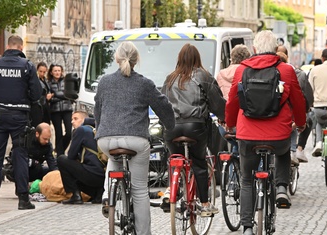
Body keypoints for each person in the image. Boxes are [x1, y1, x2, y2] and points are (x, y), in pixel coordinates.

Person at [225, 30, 306, 235]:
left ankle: (247, 227)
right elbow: (298, 100)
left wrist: (230, 124)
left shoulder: (241, 70)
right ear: (275, 49)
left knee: (246, 179)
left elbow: (233, 101)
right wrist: (301, 123)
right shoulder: (286, 70)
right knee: (282, 152)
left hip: (248, 134)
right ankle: (280, 188)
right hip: (278, 133)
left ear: (254, 49)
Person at [94, 41, 175, 235]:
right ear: (137, 60)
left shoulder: (105, 81)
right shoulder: (144, 83)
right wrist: (170, 125)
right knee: (139, 190)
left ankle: (109, 195)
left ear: (116, 58)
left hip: (106, 139)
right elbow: (164, 107)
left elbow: (98, 110)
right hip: (135, 140)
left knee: (114, 160)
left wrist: (100, 129)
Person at [162, 43, 226, 216]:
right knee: (198, 162)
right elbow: (216, 103)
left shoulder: (169, 78)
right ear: (197, 58)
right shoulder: (203, 76)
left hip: (172, 127)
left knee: (174, 158)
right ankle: (205, 204)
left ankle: (171, 189)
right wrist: (224, 117)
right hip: (195, 127)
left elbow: (162, 103)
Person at [0, 35, 42, 210]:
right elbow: (36, 94)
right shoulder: (27, 66)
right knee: (20, 155)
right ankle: (23, 199)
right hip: (20, 116)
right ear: (21, 48)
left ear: (7, 46)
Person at [57, 111, 106, 204]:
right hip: (103, 176)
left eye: (75, 119)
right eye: (71, 119)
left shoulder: (81, 130)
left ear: (84, 120)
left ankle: (75, 195)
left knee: (61, 160)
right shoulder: (96, 129)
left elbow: (71, 156)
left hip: (92, 175)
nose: (72, 122)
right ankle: (97, 194)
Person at [277, 46, 313, 164]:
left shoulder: (266, 71)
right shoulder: (297, 73)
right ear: (287, 57)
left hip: (266, 118)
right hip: (289, 115)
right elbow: (302, 97)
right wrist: (301, 119)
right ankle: (297, 149)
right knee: (304, 122)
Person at [48, 64, 73, 156]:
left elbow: (69, 95)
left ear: (61, 71)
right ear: (51, 72)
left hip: (67, 109)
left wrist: (55, 95)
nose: (57, 72)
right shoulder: (48, 83)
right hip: (55, 111)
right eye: (55, 71)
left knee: (69, 133)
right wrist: (63, 96)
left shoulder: (67, 81)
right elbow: (49, 99)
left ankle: (58, 149)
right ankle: (60, 155)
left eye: (59, 70)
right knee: (58, 133)